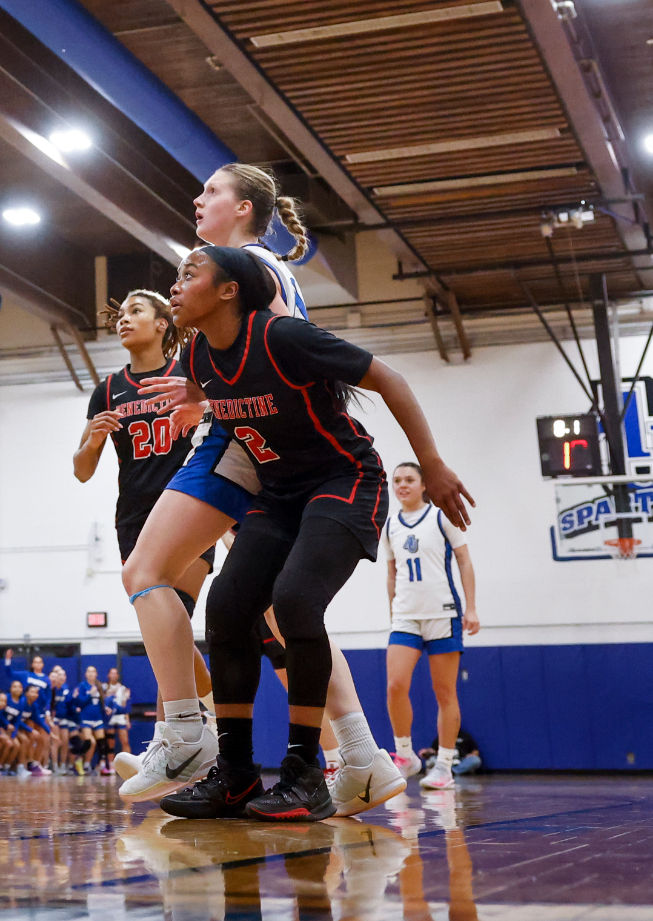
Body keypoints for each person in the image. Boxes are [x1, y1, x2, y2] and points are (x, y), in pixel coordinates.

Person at [120, 165, 444, 816]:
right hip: (260, 446)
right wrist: (196, 392)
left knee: (147, 569)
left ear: (242, 207)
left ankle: (185, 729)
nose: (196, 198)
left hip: (251, 447)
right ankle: (361, 752)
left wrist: (212, 410)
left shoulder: (250, 273)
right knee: (271, 607)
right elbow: (234, 364)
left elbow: (272, 366)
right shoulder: (258, 271)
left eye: (210, 191)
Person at [74, 288, 218, 753]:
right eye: (121, 313)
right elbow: (81, 470)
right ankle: (204, 716)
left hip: (189, 508)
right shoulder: (109, 388)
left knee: (174, 626)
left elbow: (226, 423)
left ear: (162, 324)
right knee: (163, 634)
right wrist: (92, 442)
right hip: (133, 518)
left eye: (136, 311)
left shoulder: (188, 373)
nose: (124, 319)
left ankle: (171, 742)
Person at [382, 460, 478, 792]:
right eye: (397, 480)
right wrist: (392, 609)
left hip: (442, 612)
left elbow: (464, 561)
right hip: (406, 615)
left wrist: (472, 608)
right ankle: (406, 755)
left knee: (444, 692)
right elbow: (391, 573)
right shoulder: (390, 524)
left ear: (424, 485)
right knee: (395, 685)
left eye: (409, 479)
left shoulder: (440, 517)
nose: (402, 485)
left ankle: (444, 766)